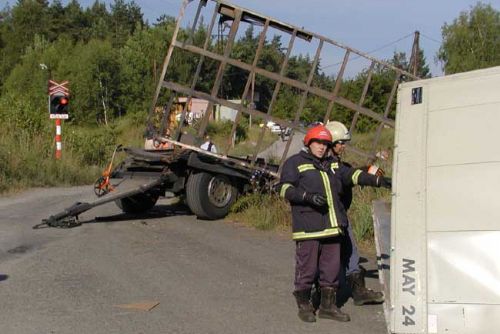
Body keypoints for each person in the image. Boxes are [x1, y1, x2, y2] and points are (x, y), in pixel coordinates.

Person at [278, 125, 390, 323]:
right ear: (309, 143)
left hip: (332, 227)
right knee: (308, 269)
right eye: (318, 143)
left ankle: (328, 307)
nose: (322, 147)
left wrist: (379, 181)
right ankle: (304, 306)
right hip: (309, 228)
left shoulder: (333, 164)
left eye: (325, 144)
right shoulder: (295, 163)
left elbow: (353, 175)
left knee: (330, 270)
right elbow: (284, 188)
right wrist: (306, 196)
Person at [325, 120, 385, 306]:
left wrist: (364, 171)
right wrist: (369, 177)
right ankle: (343, 293)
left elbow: (346, 173)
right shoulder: (325, 165)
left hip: (337, 214)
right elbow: (342, 176)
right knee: (339, 254)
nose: (343, 146)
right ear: (331, 143)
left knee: (347, 253)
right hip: (330, 217)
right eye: (340, 143)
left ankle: (353, 291)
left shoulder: (333, 163)